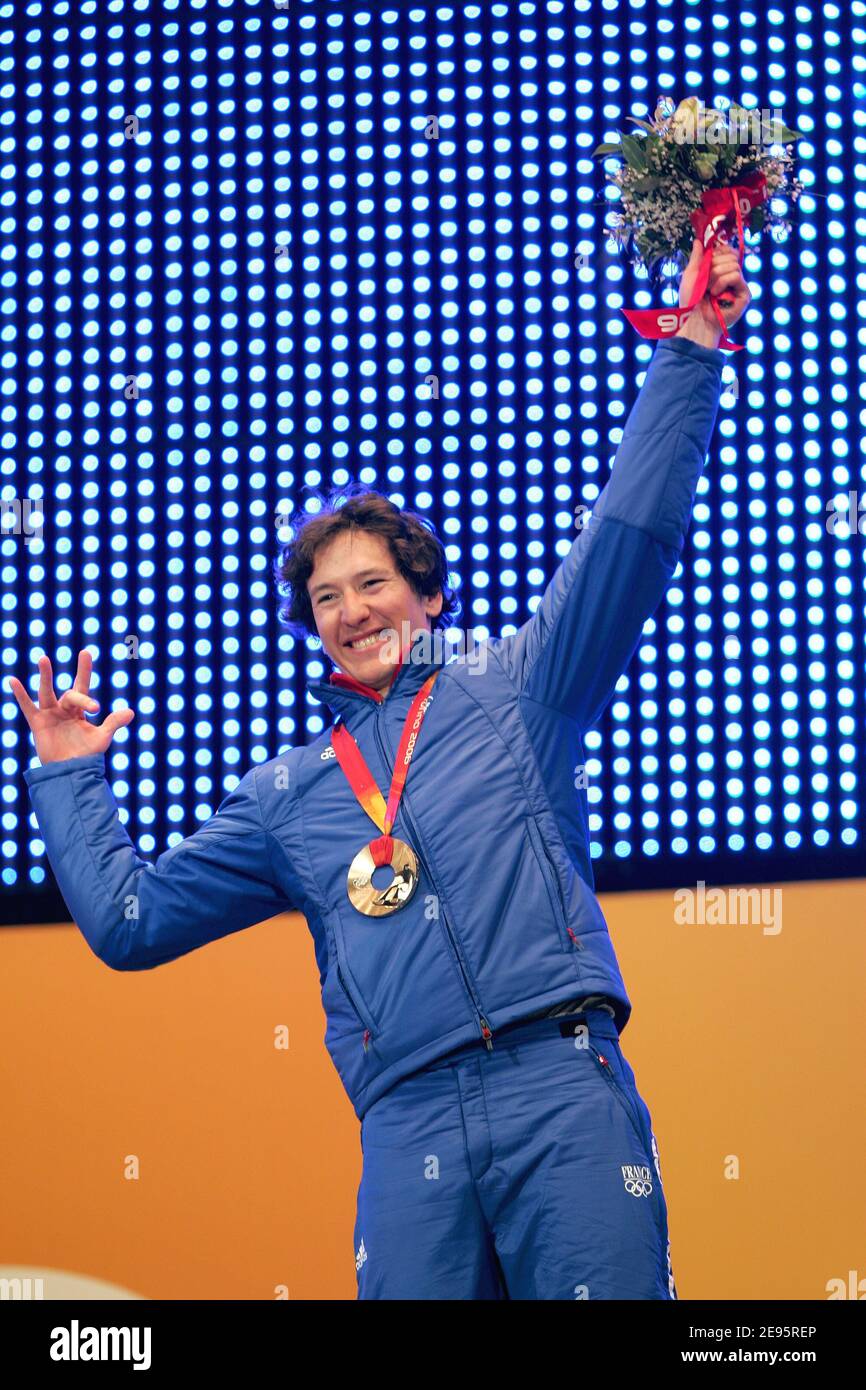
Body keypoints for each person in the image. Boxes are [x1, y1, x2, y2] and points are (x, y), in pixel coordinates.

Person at [9, 240, 751, 1299]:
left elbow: (628, 532)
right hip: (405, 1122)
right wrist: (73, 777)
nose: (352, 610)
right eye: (325, 598)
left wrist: (690, 347)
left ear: (427, 593)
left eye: (372, 583)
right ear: (309, 626)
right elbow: (132, 922)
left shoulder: (518, 688)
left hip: (558, 1080)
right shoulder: (284, 796)